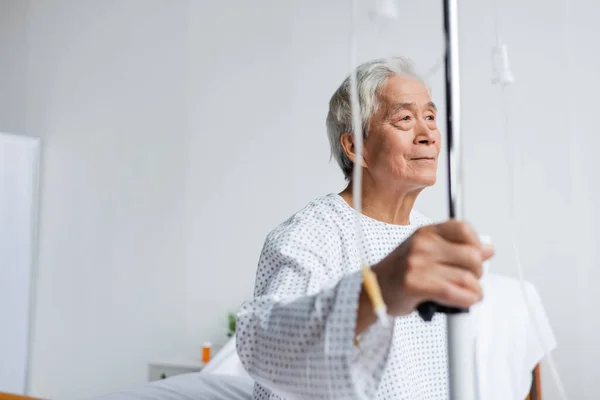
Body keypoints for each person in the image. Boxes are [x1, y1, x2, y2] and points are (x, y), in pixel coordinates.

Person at [236, 57, 550, 400]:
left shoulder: (429, 235)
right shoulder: (312, 233)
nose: (428, 133)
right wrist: (377, 289)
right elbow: (261, 343)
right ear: (356, 147)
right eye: (404, 118)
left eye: (430, 117)